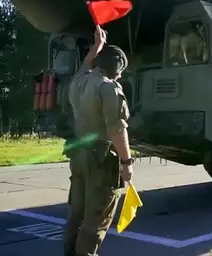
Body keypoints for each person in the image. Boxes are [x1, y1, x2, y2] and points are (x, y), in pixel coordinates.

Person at [62, 25, 134, 256]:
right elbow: (116, 130)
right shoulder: (110, 88)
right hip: (100, 162)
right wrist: (126, 162)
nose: (121, 76)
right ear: (117, 69)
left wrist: (96, 46)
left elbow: (86, 65)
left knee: (77, 214)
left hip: (79, 157)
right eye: (121, 71)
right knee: (95, 221)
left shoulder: (79, 82)